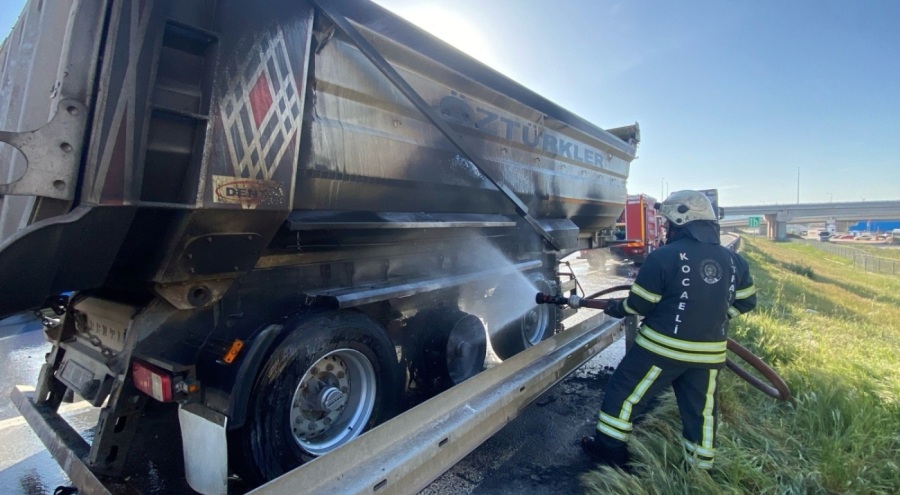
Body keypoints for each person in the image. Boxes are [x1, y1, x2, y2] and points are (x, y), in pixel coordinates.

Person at [581, 190, 757, 470]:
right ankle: (699, 470)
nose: (665, 229)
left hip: (660, 350)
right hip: (709, 354)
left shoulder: (664, 257)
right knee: (701, 414)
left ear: (681, 220)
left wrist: (616, 308)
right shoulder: (734, 261)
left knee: (623, 397)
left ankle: (609, 452)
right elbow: (747, 301)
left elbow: (640, 304)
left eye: (668, 224)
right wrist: (712, 319)